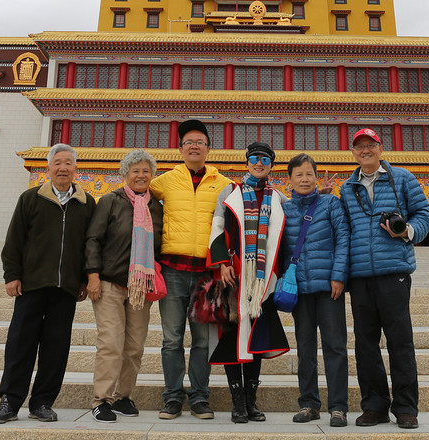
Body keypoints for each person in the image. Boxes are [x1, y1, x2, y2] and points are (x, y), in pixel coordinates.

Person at [0, 143, 95, 424]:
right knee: (20, 344)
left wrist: (84, 278)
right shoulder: (30, 198)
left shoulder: (87, 203)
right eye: (57, 162)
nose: (63, 168)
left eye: (68, 163)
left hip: (66, 288)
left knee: (56, 348)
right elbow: (14, 241)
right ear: (48, 168)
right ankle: (9, 402)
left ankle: (43, 402)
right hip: (31, 285)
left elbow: (90, 245)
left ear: (75, 169)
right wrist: (12, 275)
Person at [339, 128, 429, 430]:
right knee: (366, 344)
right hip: (360, 276)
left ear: (381, 148)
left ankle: (406, 408)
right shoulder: (347, 187)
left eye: (370, 145)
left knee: (400, 341)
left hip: (394, 273)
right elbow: (344, 229)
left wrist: (406, 231)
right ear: (353, 152)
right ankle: (375, 405)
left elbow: (423, 213)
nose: (365, 150)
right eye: (359, 146)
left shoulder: (402, 178)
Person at [148, 119, 231, 420]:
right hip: (172, 270)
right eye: (188, 142)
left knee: (201, 340)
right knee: (171, 339)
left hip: (206, 276)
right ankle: (172, 397)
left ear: (209, 149)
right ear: (180, 149)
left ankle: (199, 397)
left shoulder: (224, 184)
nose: (194, 146)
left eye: (200, 141)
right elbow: (136, 193)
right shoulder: (165, 181)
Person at [207, 141, 290, 423]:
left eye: (265, 159)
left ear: (271, 165)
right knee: (232, 339)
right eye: (254, 158)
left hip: (263, 280)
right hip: (234, 275)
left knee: (256, 339)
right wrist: (221, 263)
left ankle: (251, 401)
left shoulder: (277, 197)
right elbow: (218, 225)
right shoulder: (230, 192)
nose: (259, 162)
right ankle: (237, 402)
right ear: (246, 162)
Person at [85, 150, 164, 422]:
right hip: (109, 283)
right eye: (135, 171)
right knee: (111, 342)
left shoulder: (157, 206)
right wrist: (92, 275)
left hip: (141, 288)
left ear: (152, 175)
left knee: (134, 346)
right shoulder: (110, 201)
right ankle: (101, 399)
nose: (141, 175)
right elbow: (93, 239)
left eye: (146, 171)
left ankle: (123, 396)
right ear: (125, 174)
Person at [281, 153, 350, 428]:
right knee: (305, 348)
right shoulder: (283, 210)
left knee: (335, 346)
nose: (305, 179)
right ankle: (309, 404)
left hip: (329, 287)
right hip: (300, 290)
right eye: (299, 175)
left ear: (316, 177)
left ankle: (338, 407)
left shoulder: (331, 203)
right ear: (289, 180)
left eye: (309, 174)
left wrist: (339, 275)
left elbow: (344, 238)